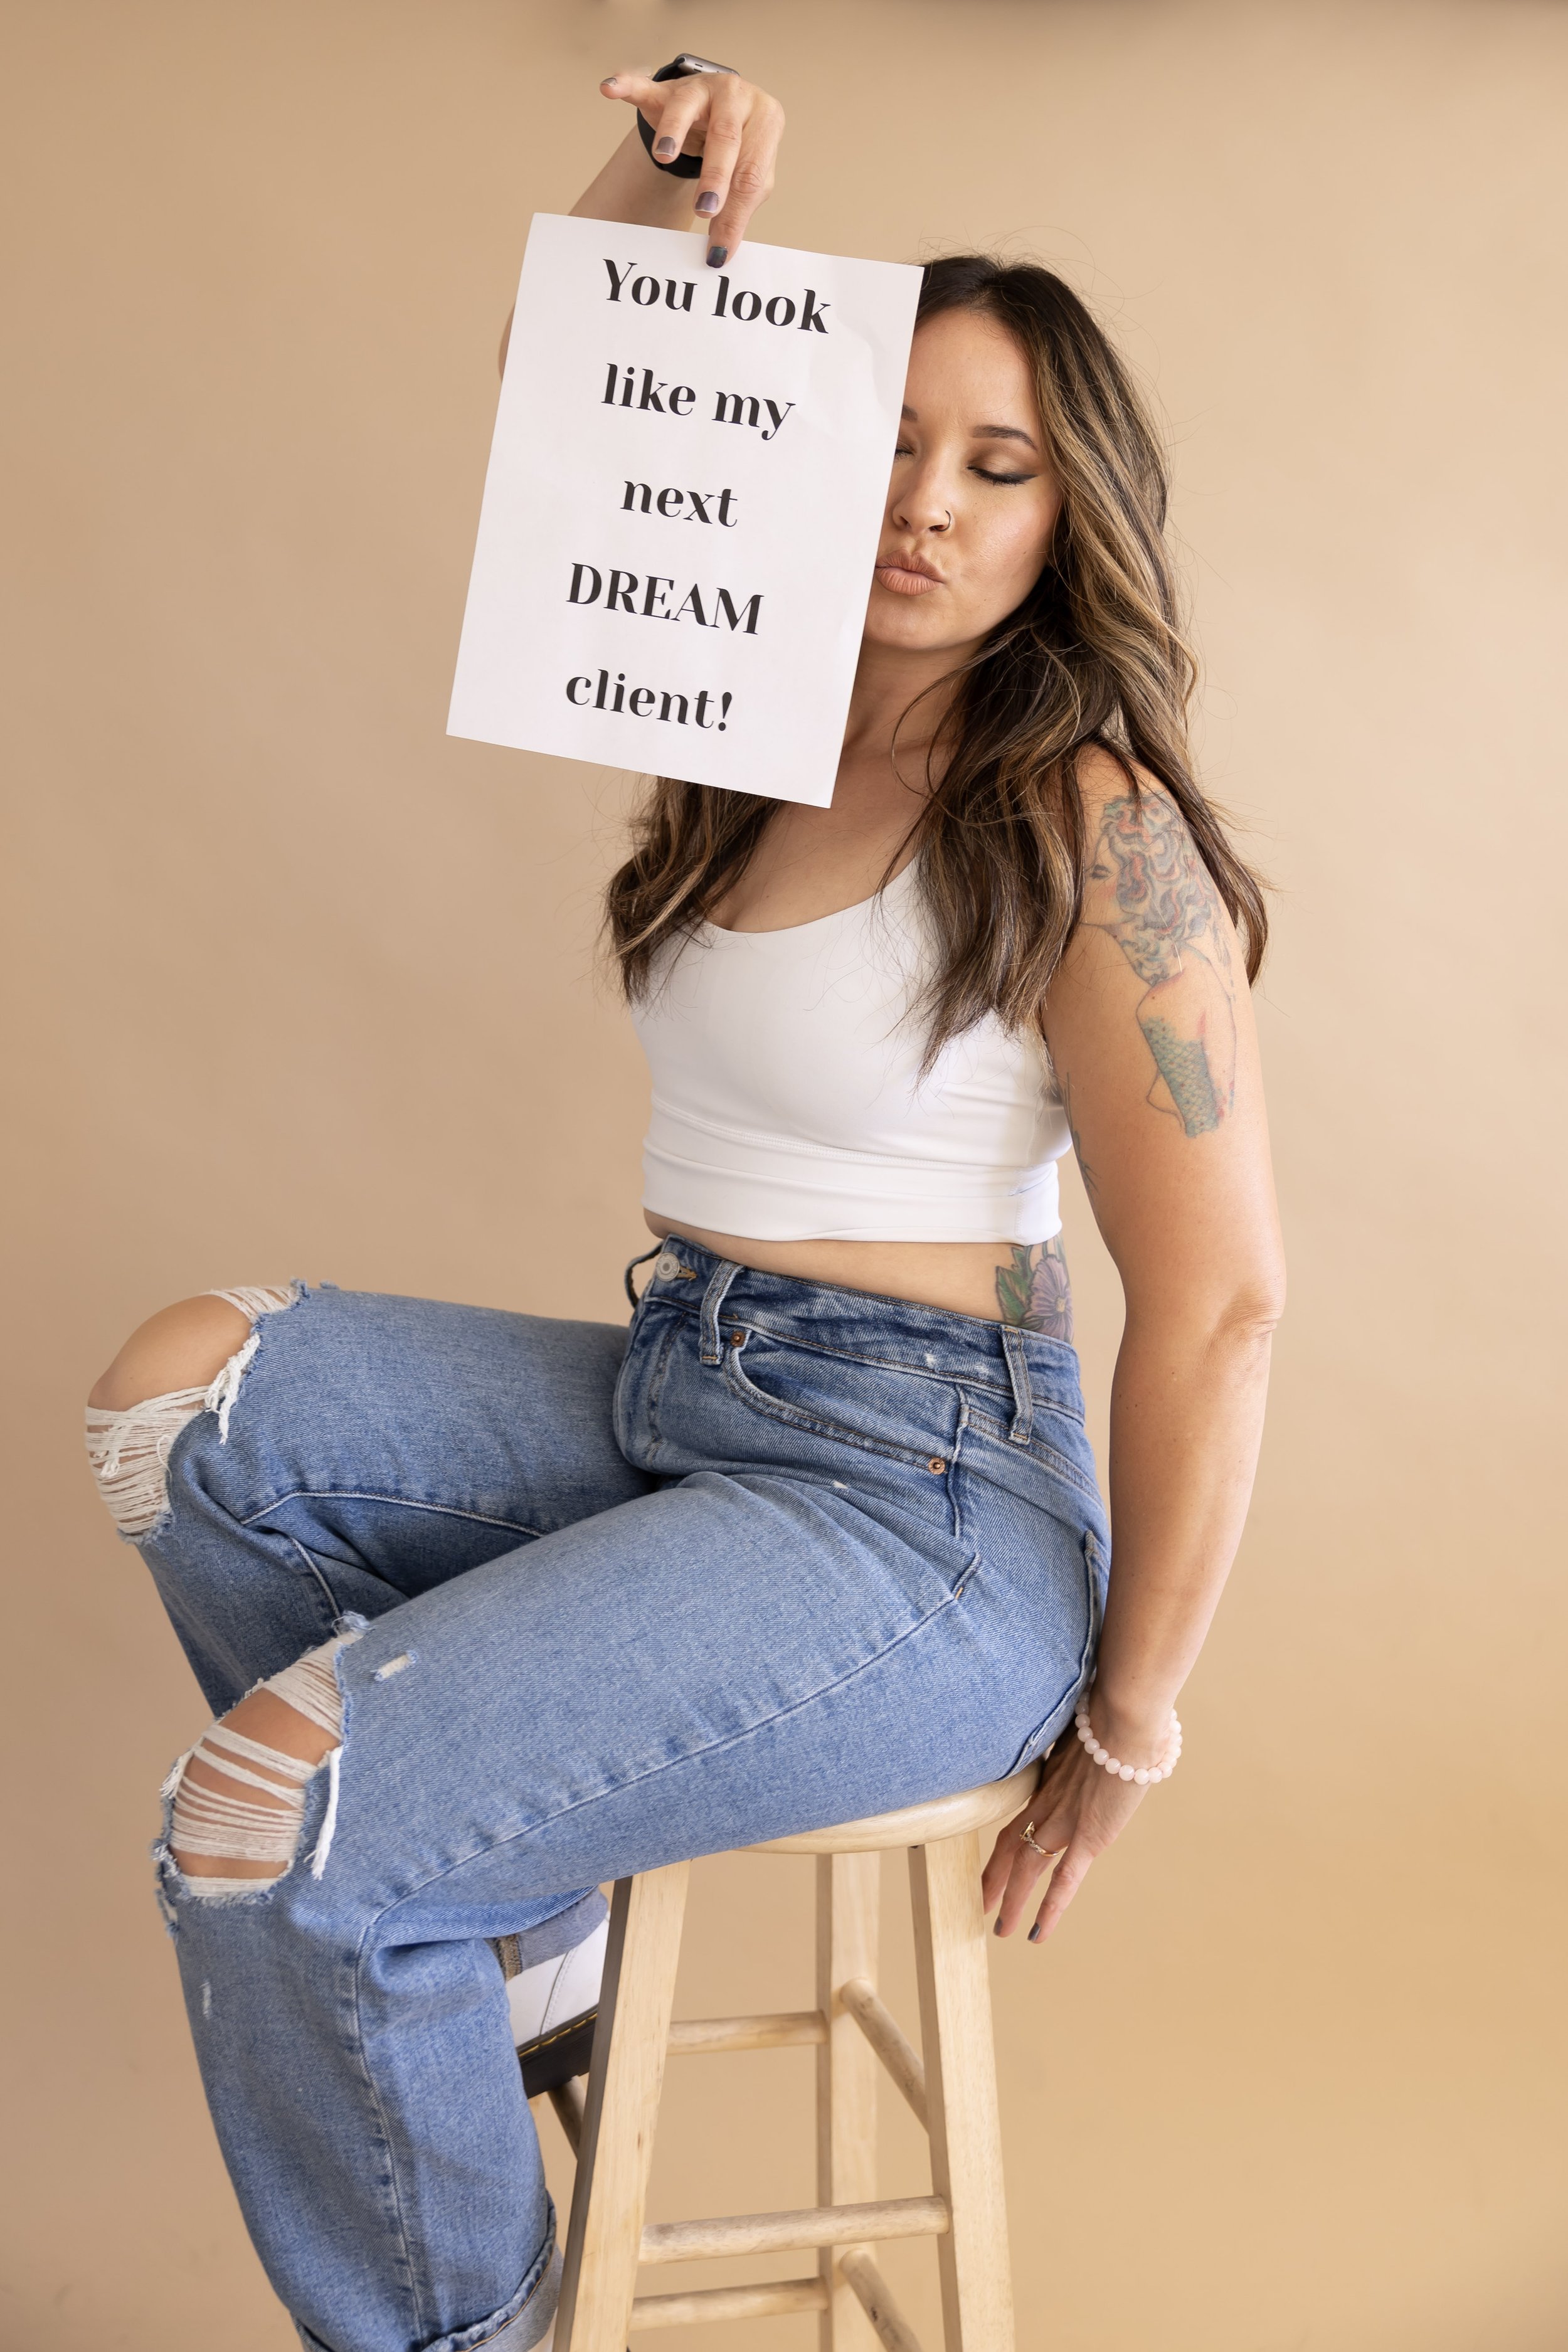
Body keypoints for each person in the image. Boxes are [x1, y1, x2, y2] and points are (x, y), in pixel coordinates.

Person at [84, 58, 1285, 2352]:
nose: (923, 509)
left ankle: (475, 2322)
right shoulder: (752, 714)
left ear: (1069, 516)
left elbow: (1220, 1309)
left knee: (268, 1826)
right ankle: (513, 1933)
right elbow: (584, 415)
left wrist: (1127, 1733)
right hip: (684, 1387)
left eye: (996, 466)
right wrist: (663, 175)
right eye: (894, 447)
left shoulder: (1084, 820)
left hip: (920, 1510)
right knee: (190, 1404)